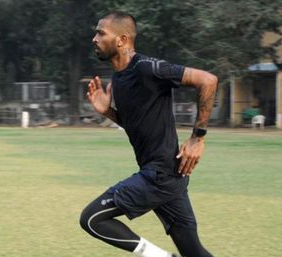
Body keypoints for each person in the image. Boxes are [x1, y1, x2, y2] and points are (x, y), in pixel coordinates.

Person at [79, 11, 218, 257]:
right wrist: (108, 112)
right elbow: (137, 123)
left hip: (159, 175)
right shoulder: (120, 80)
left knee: (92, 219)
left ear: (122, 39)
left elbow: (208, 80)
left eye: (101, 33)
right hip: (169, 177)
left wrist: (197, 137)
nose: (94, 38)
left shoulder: (147, 68)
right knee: (194, 253)